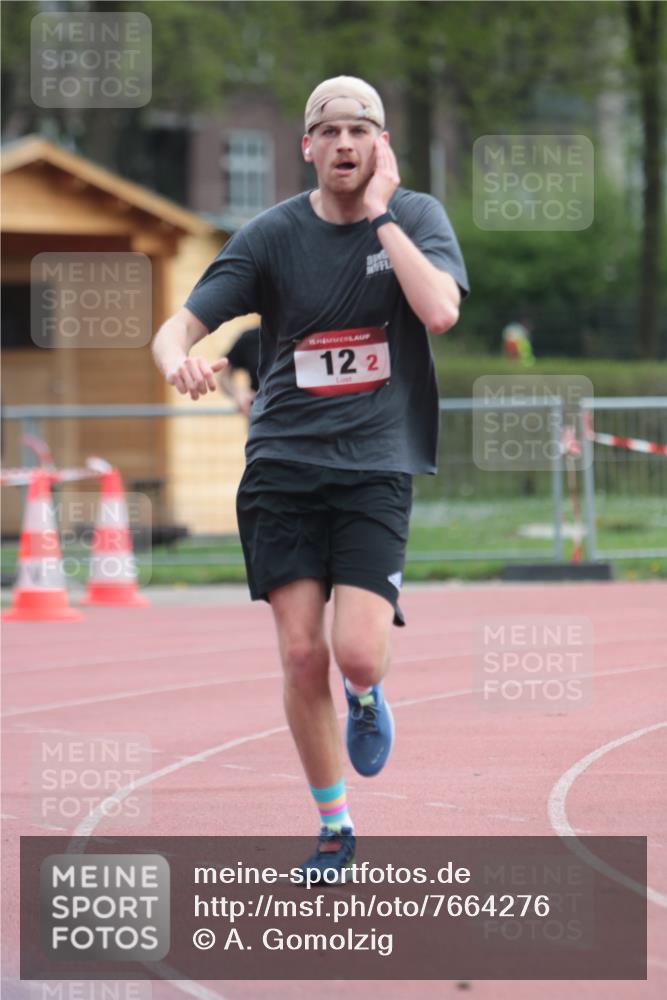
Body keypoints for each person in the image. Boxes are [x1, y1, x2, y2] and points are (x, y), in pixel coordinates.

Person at [152, 75, 469, 883]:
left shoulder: (417, 218)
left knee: (355, 655)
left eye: (358, 130)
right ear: (306, 146)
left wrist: (384, 217)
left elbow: (437, 312)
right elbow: (181, 324)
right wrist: (176, 360)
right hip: (284, 467)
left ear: (380, 145)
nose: (342, 145)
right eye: (327, 132)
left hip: (373, 469)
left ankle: (366, 695)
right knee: (300, 656)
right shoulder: (268, 237)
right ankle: (335, 827)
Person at [218, 325, 260, 416]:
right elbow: (224, 376)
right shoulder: (250, 339)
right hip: (259, 415)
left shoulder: (296, 336)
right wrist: (238, 393)